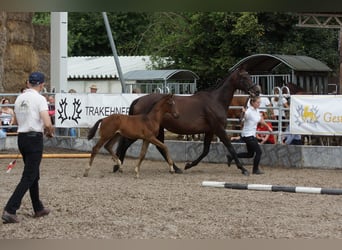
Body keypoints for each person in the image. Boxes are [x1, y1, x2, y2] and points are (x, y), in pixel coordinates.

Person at [2, 72, 54, 224]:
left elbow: (16, 120)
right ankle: (10, 209)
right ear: (42, 84)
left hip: (22, 138)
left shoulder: (19, 98)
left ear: (28, 83)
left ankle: (38, 207)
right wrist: (49, 132)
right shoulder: (40, 99)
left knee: (33, 174)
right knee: (29, 176)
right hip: (34, 139)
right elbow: (47, 122)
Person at [227, 96, 273, 175]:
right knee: (259, 152)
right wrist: (243, 112)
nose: (259, 104)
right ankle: (255, 170)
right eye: (258, 102)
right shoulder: (248, 111)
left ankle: (232, 156)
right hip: (248, 136)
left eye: (259, 102)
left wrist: (268, 127)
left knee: (250, 154)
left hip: (250, 135)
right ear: (253, 103)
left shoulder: (257, 110)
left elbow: (261, 120)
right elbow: (242, 119)